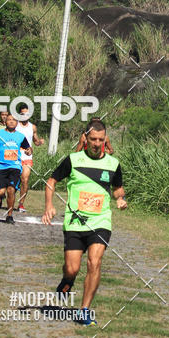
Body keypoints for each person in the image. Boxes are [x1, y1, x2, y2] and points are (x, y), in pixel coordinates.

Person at [42, 119, 126, 326]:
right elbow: (51, 181)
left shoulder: (113, 164)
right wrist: (49, 205)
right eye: (93, 139)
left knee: (94, 262)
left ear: (105, 139)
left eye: (100, 140)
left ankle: (84, 310)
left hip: (100, 221)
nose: (97, 143)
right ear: (85, 138)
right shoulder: (73, 160)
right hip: (75, 222)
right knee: (72, 268)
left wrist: (120, 199)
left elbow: (118, 188)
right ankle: (67, 281)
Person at [0, 114, 32, 224]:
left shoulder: (20, 136)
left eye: (14, 120)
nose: (11, 121)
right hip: (1, 166)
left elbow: (28, 148)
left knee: (11, 190)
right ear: (5, 122)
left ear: (17, 123)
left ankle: (9, 215)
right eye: (9, 120)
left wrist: (29, 151)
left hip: (15, 167)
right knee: (1, 192)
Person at [15, 105, 44, 213]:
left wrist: (39, 142)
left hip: (27, 156)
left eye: (27, 114)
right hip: (14, 155)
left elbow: (35, 141)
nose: (25, 116)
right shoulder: (15, 125)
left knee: (25, 180)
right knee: (13, 180)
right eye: (22, 114)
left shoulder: (33, 127)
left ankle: (21, 204)